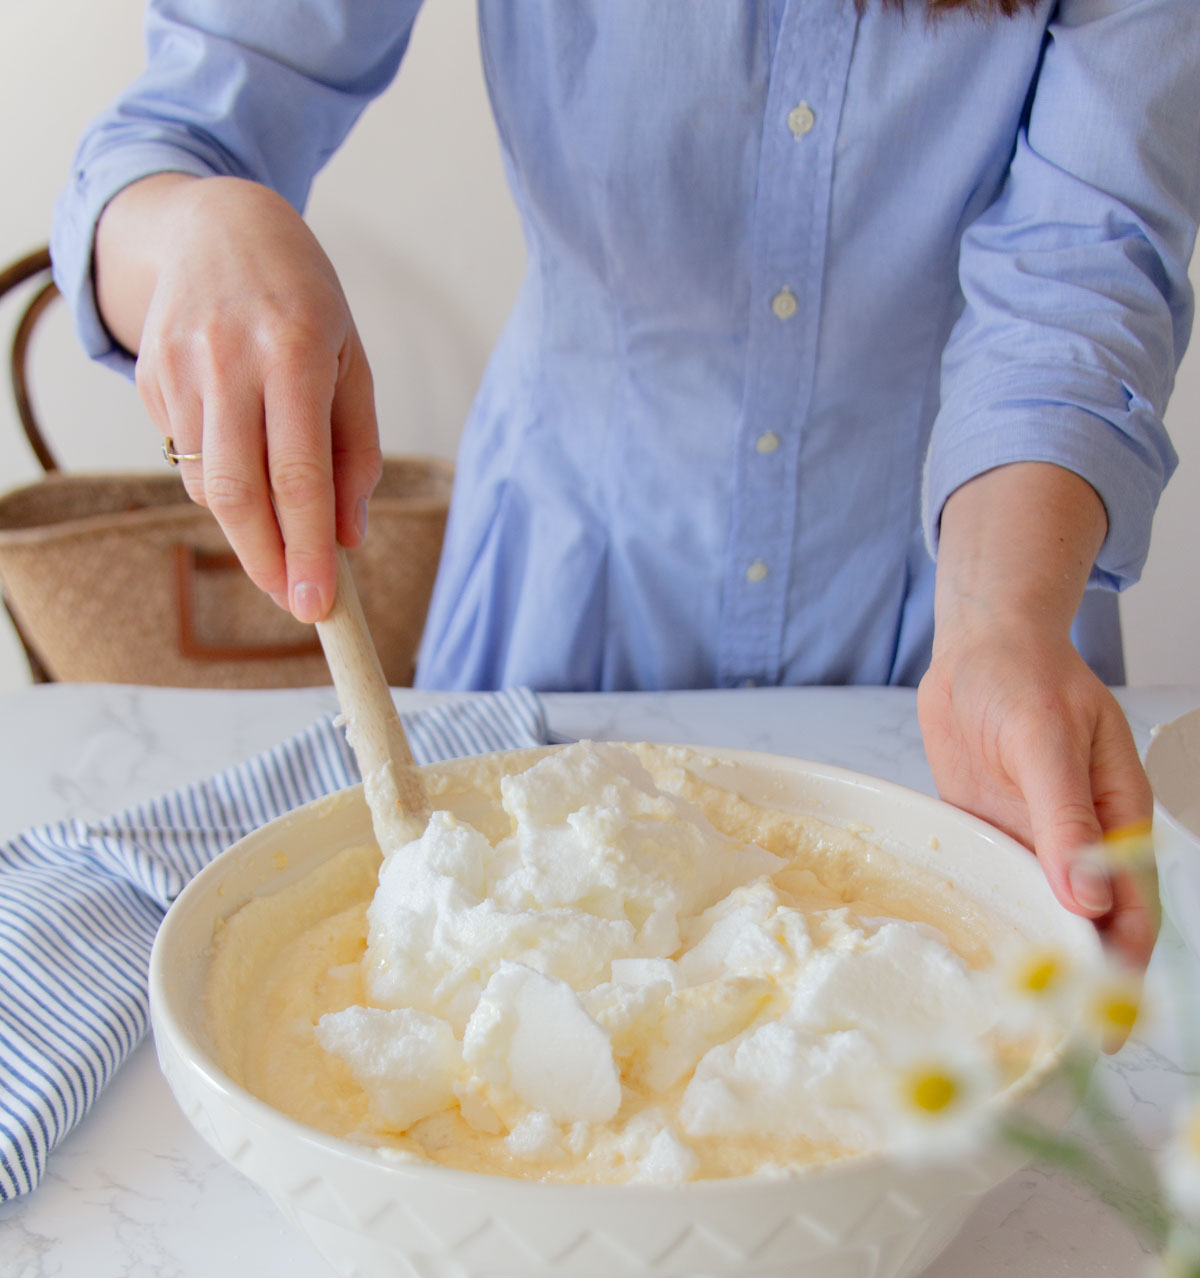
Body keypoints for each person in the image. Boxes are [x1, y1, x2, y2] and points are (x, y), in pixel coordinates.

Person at [52, 0, 1200, 968]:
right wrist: (202, 224)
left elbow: (1081, 269)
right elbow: (169, 141)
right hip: (558, 614)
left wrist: (1001, 624)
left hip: (965, 635)